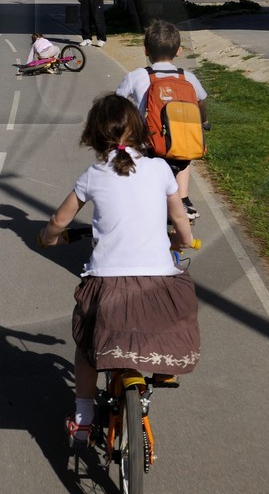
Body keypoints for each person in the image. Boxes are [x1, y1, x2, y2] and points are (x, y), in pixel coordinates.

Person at [39, 94, 199, 445]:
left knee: (86, 343)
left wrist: (49, 238)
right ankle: (158, 372)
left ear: (95, 137)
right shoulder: (159, 169)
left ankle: (82, 417)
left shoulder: (94, 174)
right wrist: (183, 241)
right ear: (140, 130)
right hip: (160, 282)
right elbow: (179, 219)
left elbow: (59, 220)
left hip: (107, 284)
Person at [117, 20, 210, 221]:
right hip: (177, 147)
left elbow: (117, 103)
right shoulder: (188, 77)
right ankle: (183, 199)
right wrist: (204, 122)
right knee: (182, 145)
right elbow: (201, 102)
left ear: (145, 50)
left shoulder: (137, 76)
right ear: (179, 51)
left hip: (147, 144)